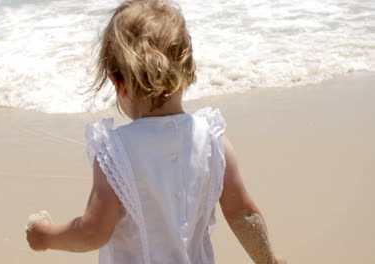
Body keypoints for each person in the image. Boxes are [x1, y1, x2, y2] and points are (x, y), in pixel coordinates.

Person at [26, 0, 287, 263]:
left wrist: (46, 236)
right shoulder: (212, 140)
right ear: (187, 67)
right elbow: (244, 215)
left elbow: (92, 233)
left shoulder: (115, 152)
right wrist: (269, 260)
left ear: (118, 81)